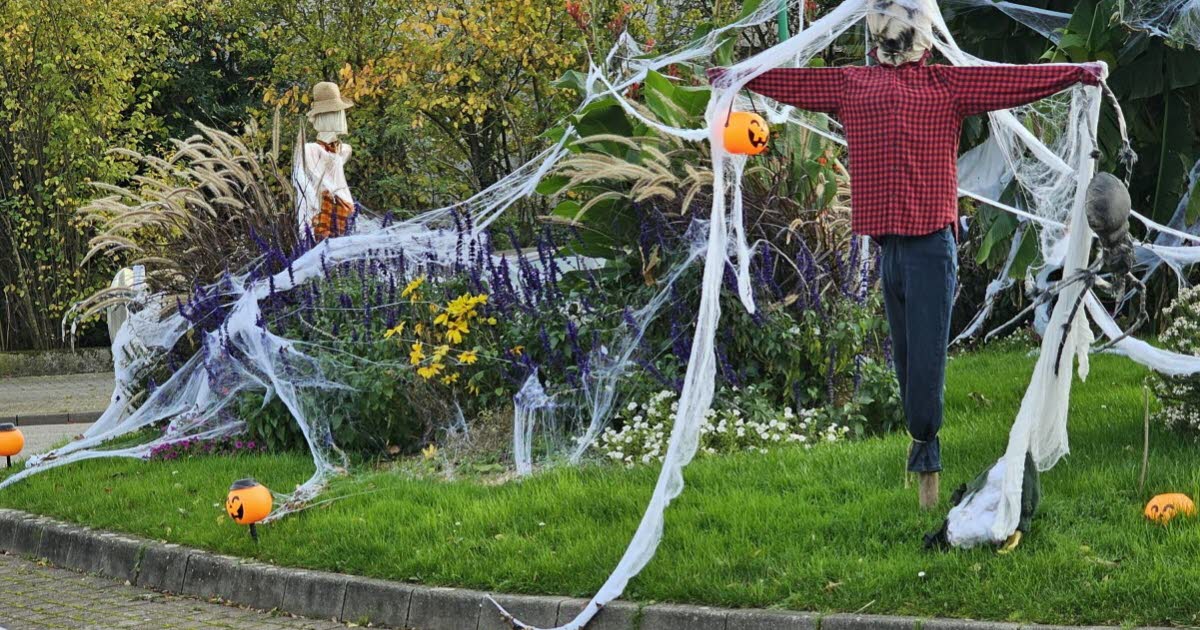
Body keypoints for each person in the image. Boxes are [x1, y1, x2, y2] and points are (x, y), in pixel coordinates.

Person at [710, 0, 1105, 510]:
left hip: (930, 248)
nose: (893, 32)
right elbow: (795, 84)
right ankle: (919, 457)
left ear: (922, 30)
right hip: (887, 249)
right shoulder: (853, 85)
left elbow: (1010, 81)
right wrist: (739, 76)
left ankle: (928, 471)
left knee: (925, 366)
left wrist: (1077, 73)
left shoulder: (946, 85)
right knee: (902, 361)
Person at [294, 81, 357, 241]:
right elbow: (298, 178)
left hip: (343, 208)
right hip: (323, 210)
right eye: (336, 113)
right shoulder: (310, 150)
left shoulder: (343, 149)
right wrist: (314, 202)